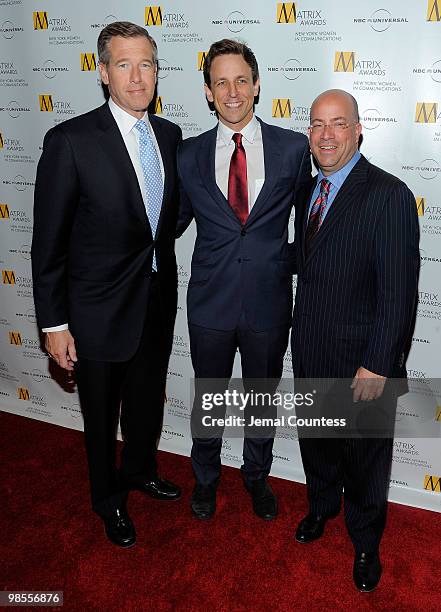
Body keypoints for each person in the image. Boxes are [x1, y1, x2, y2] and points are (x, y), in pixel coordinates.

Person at [31, 21, 182, 548]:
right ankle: (107, 498)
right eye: (124, 64)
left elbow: (164, 217)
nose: (138, 77)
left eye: (147, 65)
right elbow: (47, 244)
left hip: (157, 299)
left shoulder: (168, 134)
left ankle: (140, 469)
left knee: (145, 403)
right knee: (100, 416)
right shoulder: (70, 141)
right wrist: (54, 323)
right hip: (95, 311)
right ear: (103, 73)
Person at [177, 39, 311, 520]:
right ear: (209, 93)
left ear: (256, 85)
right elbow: (167, 225)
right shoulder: (188, 155)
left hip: (269, 304)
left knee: (261, 399)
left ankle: (256, 478)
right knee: (209, 399)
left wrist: (281, 262)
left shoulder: (294, 149)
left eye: (240, 80)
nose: (231, 91)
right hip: (209, 304)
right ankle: (206, 480)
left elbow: (309, 223)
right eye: (220, 82)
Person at [291, 89, 419, 591]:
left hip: (366, 361)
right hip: (312, 347)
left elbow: (399, 294)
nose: (327, 135)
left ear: (358, 129)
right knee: (318, 442)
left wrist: (378, 363)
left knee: (366, 459)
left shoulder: (389, 194)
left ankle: (366, 541)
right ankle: (322, 508)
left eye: (338, 124)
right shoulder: (306, 189)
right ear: (308, 134)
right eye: (318, 125)